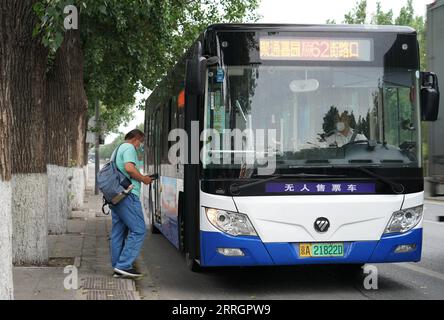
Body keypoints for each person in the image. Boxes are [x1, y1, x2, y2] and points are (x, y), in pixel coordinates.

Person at [110, 129, 152, 277]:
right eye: (141, 142)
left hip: (116, 196)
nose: (140, 145)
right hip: (128, 195)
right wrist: (143, 179)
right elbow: (129, 168)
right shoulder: (129, 148)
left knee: (118, 232)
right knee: (139, 230)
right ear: (136, 139)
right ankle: (123, 265)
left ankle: (117, 267)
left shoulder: (117, 149)